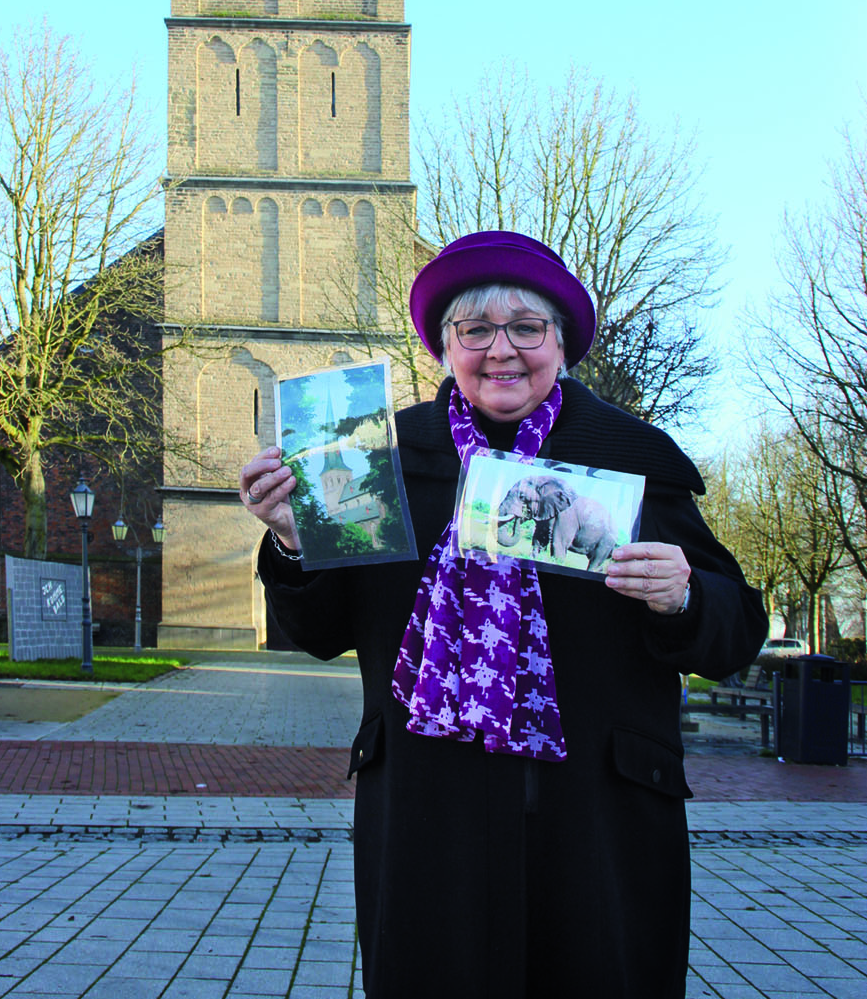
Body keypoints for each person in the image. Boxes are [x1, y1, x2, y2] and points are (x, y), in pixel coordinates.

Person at [242, 230, 767, 999]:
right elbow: (320, 633)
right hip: (430, 816)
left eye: (526, 327)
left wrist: (685, 593)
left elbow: (736, 628)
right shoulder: (376, 462)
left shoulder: (628, 459)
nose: (501, 350)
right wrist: (292, 543)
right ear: (443, 348)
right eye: (475, 330)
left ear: (561, 343)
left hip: (593, 819)